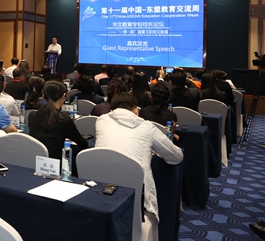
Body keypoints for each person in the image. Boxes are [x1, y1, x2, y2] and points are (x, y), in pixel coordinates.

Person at [96, 92, 183, 221]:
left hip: (100, 190)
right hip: (137, 196)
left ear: (111, 110)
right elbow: (176, 156)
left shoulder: (101, 120)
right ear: (136, 110)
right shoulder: (147, 127)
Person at [28, 81, 88, 159]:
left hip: (34, 159)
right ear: (63, 96)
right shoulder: (64, 120)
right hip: (55, 162)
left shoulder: (32, 115)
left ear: (43, 95)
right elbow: (82, 144)